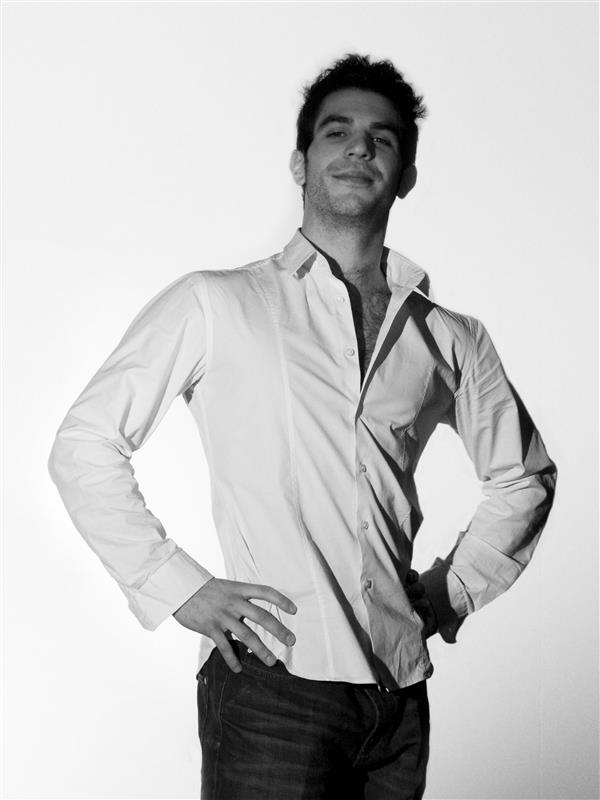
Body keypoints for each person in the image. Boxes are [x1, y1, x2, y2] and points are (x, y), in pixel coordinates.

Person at [48, 53, 557, 800]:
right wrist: (176, 585)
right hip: (272, 685)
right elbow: (85, 443)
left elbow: (524, 479)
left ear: (407, 175)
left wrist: (448, 593)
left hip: (399, 697)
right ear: (301, 162)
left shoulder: (451, 337)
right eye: (336, 132)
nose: (359, 148)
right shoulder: (217, 303)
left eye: (382, 139)